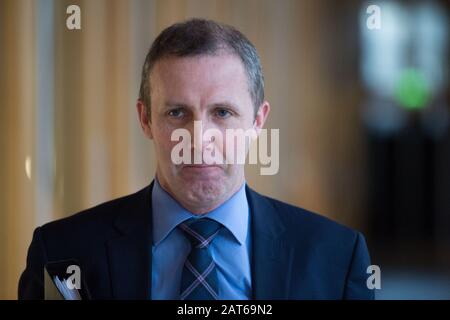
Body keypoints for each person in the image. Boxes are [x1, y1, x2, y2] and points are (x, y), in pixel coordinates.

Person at [19, 18, 374, 300]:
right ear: (146, 120)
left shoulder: (337, 259)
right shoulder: (62, 253)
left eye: (222, 112)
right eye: (176, 113)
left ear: (257, 121)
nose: (199, 139)